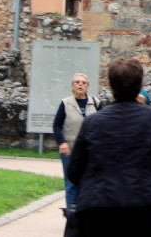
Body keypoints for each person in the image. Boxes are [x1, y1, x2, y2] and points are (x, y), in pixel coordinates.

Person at [67, 58, 151, 236]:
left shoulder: (93, 121)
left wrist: (93, 185)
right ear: (139, 85)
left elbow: (74, 169)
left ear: (111, 86)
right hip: (145, 205)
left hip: (100, 205)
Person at [53, 73, 102, 208]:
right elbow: (56, 125)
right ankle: (72, 213)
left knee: (90, 182)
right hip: (70, 150)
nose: (80, 84)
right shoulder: (65, 104)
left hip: (90, 151)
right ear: (72, 86)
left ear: (87, 87)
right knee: (71, 183)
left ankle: (86, 211)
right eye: (77, 82)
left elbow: (103, 125)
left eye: (83, 83)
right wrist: (62, 142)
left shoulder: (96, 104)